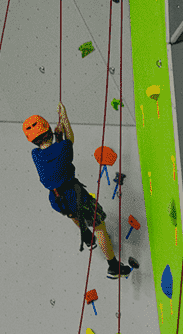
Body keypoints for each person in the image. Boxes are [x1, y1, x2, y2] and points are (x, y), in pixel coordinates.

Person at [23, 103, 131, 280]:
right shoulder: (63, 147)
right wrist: (64, 117)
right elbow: (70, 139)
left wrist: (56, 136)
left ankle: (86, 235)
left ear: (33, 141)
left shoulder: (35, 155)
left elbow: (54, 155)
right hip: (75, 194)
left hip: (56, 199)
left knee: (71, 213)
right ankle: (113, 266)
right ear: (49, 131)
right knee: (99, 225)